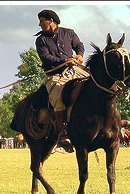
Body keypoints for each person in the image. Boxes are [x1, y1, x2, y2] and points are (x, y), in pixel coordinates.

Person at [34, 9, 89, 153]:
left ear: (50, 21)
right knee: (57, 96)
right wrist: (64, 60)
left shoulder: (69, 33)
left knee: (94, 85)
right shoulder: (40, 40)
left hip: (75, 71)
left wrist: (79, 56)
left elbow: (79, 45)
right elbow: (45, 57)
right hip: (55, 75)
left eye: (41, 21)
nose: (39, 24)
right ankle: (63, 133)